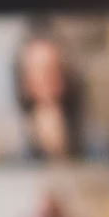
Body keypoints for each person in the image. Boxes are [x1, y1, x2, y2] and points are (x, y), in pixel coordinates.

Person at [12, 27, 87, 160]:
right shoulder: (15, 148)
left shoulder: (93, 139)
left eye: (50, 69)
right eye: (36, 71)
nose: (44, 78)